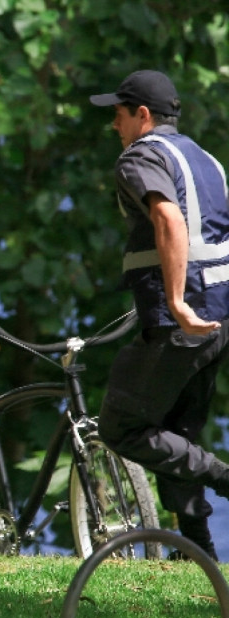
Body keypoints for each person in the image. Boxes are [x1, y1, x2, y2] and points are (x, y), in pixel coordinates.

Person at [90, 69, 229, 561]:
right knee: (176, 434)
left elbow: (168, 217)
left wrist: (175, 303)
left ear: (142, 115)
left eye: (118, 115)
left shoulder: (140, 156)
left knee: (121, 426)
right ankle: (197, 551)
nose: (114, 126)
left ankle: (225, 478)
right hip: (220, 319)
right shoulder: (205, 158)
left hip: (182, 319)